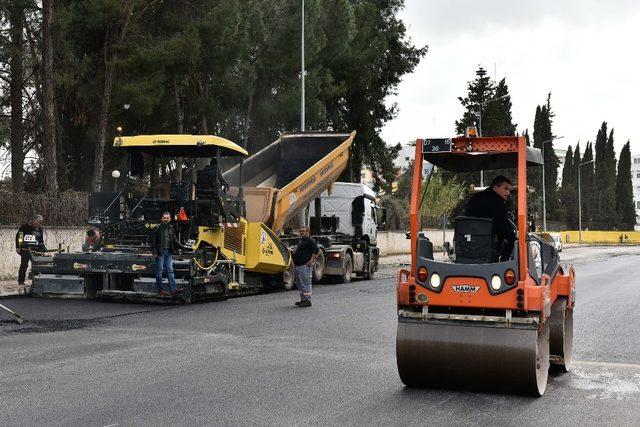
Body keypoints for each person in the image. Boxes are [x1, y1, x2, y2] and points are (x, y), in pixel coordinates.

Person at [465, 175, 516, 260]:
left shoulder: (475, 198)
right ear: (495, 188)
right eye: (505, 189)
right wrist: (515, 241)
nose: (508, 193)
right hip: (488, 248)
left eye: (509, 190)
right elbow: (504, 227)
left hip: (467, 244)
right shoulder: (497, 203)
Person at [150, 212, 181, 296]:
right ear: (162, 218)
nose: (166, 219)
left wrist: (182, 247)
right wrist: (154, 252)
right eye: (165, 218)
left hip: (168, 252)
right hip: (160, 252)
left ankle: (173, 289)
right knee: (159, 272)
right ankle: (160, 290)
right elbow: (153, 241)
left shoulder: (171, 228)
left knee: (170, 271)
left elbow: (174, 240)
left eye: (167, 218)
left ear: (170, 219)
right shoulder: (157, 228)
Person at [15, 214, 45, 290]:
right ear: (34, 220)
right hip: (25, 249)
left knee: (37, 266)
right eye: (39, 221)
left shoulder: (40, 229)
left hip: (35, 250)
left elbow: (41, 240)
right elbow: (19, 237)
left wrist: (44, 249)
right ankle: (21, 281)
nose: (40, 223)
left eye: (41, 222)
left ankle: (36, 281)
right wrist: (18, 246)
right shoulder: (25, 227)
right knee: (24, 264)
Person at [293, 225, 319, 307]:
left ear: (308, 232)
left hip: (304, 266)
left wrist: (311, 260)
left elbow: (316, 250)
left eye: (303, 231)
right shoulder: (302, 241)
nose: (301, 232)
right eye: (300, 231)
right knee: (300, 284)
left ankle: (308, 300)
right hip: (298, 266)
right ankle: (303, 299)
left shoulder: (310, 241)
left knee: (305, 283)